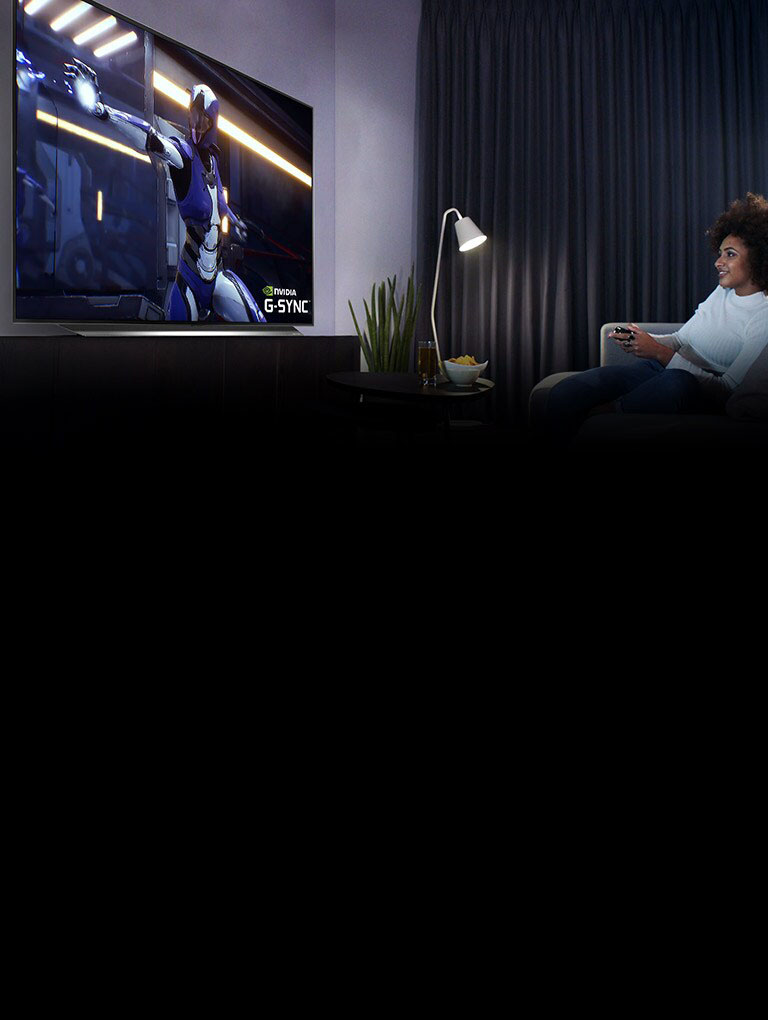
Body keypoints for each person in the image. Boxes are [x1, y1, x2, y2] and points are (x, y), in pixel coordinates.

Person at [542, 193, 768, 442]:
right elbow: (681, 339)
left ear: (759, 259)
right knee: (563, 394)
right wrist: (646, 340)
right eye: (721, 253)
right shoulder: (723, 291)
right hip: (662, 370)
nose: (718, 262)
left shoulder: (763, 316)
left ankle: (606, 413)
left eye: (730, 254)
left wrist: (659, 352)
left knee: (677, 383)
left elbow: (728, 390)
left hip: (693, 389)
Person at [63, 58, 267, 324]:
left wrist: (238, 224)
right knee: (181, 351)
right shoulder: (183, 154)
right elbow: (151, 138)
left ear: (212, 122)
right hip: (191, 280)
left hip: (216, 276)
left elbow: (218, 205)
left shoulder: (213, 163)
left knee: (258, 324)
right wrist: (103, 110)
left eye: (202, 119)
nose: (196, 124)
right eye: (193, 116)